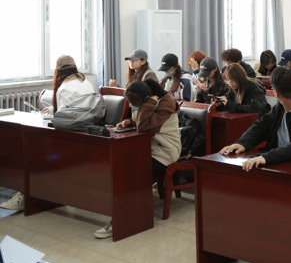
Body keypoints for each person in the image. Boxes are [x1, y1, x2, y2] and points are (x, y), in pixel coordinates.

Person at [1, 55, 96, 212]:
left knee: (30, 149)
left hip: (69, 142)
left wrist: (54, 113)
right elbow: (77, 109)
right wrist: (54, 110)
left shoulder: (64, 88)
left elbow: (64, 120)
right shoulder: (86, 82)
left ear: (58, 73)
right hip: (86, 137)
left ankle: (25, 194)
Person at [96, 78, 180, 239]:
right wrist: (129, 121)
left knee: (130, 172)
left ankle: (123, 219)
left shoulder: (165, 105)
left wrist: (147, 105)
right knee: (117, 164)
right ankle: (123, 213)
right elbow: (141, 121)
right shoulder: (147, 101)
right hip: (146, 149)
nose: (132, 106)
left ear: (146, 99)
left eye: (134, 104)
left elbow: (145, 125)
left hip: (164, 152)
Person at [222, 67, 291, 170]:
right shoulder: (282, 105)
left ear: (276, 93)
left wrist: (266, 157)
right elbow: (263, 124)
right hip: (279, 161)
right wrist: (242, 143)